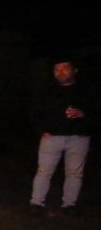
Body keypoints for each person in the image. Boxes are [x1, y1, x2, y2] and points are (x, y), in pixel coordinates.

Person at [29, 57, 95, 215]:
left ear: (74, 70)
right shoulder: (47, 90)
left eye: (65, 68)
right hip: (52, 137)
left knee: (74, 172)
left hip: (79, 137)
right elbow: (35, 111)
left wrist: (83, 114)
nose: (60, 72)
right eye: (57, 69)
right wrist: (41, 130)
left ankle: (69, 205)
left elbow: (96, 112)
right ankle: (36, 203)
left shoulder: (86, 91)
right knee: (44, 171)